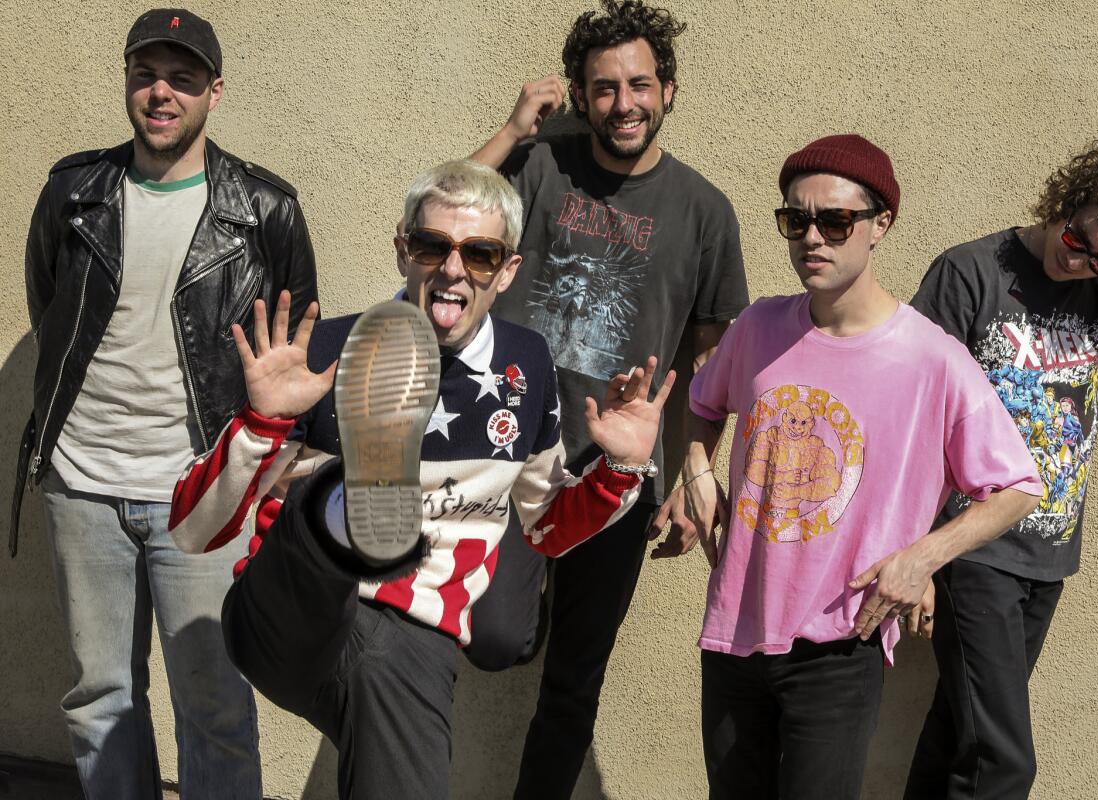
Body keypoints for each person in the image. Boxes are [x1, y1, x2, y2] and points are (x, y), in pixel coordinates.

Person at [168, 159, 676, 800]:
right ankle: (343, 510)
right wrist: (262, 421)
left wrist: (621, 469)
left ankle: (357, 509)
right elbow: (191, 531)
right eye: (433, 245)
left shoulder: (527, 366)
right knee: (313, 510)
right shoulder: (319, 352)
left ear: (508, 270)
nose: (454, 269)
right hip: (292, 622)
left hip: (413, 632)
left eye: (481, 254)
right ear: (404, 249)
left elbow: (544, 525)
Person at [662, 134, 1044, 800]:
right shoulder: (758, 327)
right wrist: (696, 472)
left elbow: (1016, 486)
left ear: (880, 225)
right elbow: (702, 404)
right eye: (795, 220)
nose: (813, 237)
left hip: (840, 642)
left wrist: (923, 558)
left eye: (835, 221)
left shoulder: (932, 359)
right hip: (734, 630)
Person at [13, 9, 318, 798]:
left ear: (214, 92)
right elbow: (51, 308)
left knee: (214, 701)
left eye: (182, 79)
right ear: (127, 80)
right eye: (147, 74)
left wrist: (273, 468)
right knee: (99, 699)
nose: (161, 93)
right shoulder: (74, 193)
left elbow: (294, 349)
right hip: (82, 483)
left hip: (207, 492)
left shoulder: (264, 211)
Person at [470, 2, 748, 794]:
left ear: (668, 89)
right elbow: (448, 218)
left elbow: (710, 357)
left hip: (617, 478)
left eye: (638, 85)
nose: (622, 104)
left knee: (575, 680)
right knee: (494, 638)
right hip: (510, 455)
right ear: (579, 95)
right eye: (602, 89)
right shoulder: (541, 164)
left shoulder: (704, 211)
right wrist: (514, 130)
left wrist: (695, 467)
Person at [905, 125, 1098, 800]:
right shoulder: (972, 271)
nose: (1081, 265)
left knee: (960, 736)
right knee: (1005, 764)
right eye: (1078, 241)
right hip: (973, 549)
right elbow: (913, 417)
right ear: (1070, 197)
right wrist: (917, 553)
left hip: (1048, 557)